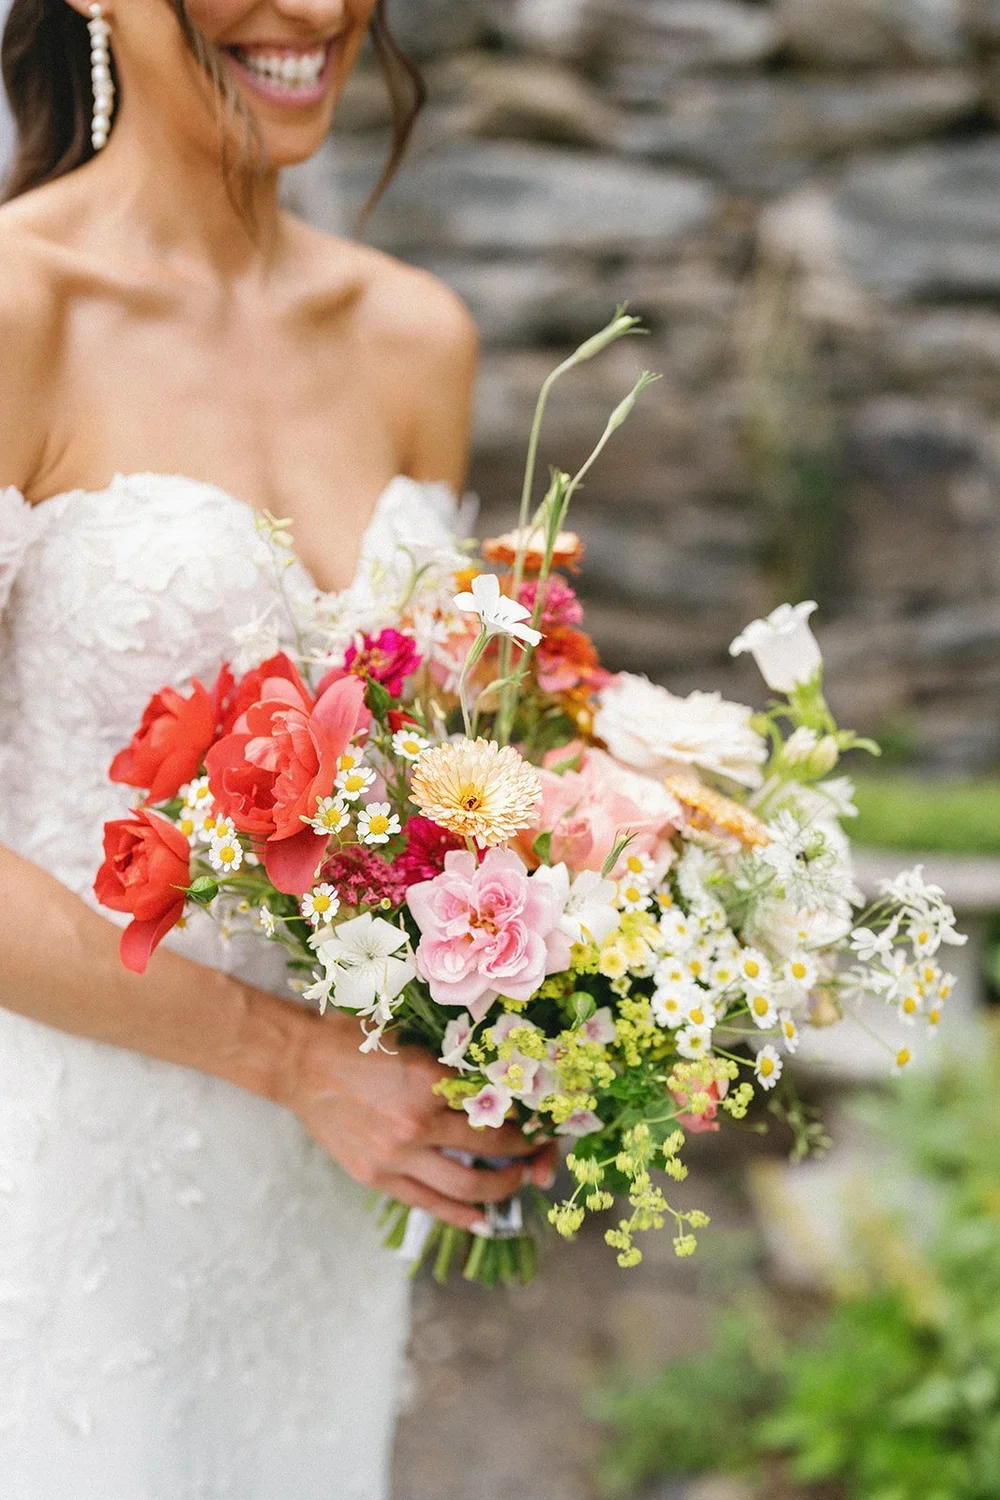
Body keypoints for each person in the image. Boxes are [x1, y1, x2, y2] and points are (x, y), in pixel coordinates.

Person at [0, 3, 556, 1496]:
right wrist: (297, 1059)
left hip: (322, 1208)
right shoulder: (16, 308)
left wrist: (545, 1010)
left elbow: (456, 771)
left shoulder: (414, 336)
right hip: (62, 1182)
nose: (311, 9)